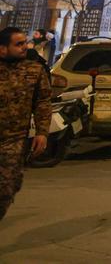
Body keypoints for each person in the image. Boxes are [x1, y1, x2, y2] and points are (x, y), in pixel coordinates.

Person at [0, 26, 52, 221]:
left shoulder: (34, 70)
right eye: (18, 44)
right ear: (3, 48)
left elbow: (42, 102)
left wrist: (42, 132)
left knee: (7, 187)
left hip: (13, 140)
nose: (24, 47)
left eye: (25, 43)